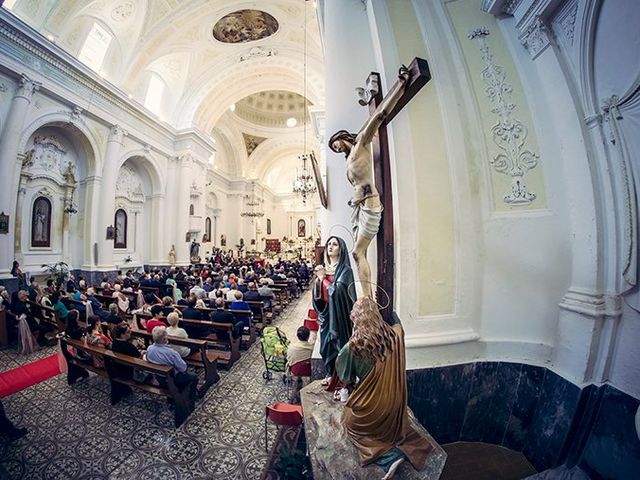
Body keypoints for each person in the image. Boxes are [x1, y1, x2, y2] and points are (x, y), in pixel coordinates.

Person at [328, 65, 410, 299]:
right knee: (357, 253)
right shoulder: (348, 160)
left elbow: (380, 115)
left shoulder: (362, 143)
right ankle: (367, 296)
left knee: (356, 252)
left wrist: (402, 85)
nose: (336, 149)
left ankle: (368, 297)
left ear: (344, 138)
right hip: (358, 207)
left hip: (370, 202)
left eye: (336, 144)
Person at [336, 297, 434, 479]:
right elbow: (396, 321)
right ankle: (396, 451)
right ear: (377, 316)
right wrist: (387, 309)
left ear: (355, 319)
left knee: (351, 423)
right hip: (394, 405)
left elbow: (346, 377)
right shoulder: (395, 336)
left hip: (369, 411)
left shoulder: (351, 348)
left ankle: (390, 457)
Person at [312, 236, 355, 384]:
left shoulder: (345, 270)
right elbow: (318, 297)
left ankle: (342, 380)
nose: (330, 247)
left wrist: (322, 279)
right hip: (326, 315)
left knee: (339, 346)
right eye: (329, 244)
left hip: (339, 316)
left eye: (334, 244)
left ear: (341, 249)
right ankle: (330, 374)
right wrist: (318, 281)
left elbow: (337, 292)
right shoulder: (324, 270)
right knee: (325, 347)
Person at [146, 326, 198, 404]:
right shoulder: (171, 353)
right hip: (173, 379)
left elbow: (148, 359)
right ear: (164, 339)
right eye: (167, 336)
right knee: (194, 377)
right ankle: (191, 399)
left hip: (159, 377)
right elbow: (183, 368)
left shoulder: (149, 349)